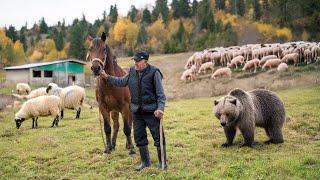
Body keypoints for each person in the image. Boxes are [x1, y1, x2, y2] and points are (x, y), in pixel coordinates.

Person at [100, 51, 167, 171]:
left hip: (152, 111)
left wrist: (160, 108)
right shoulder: (131, 72)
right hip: (136, 111)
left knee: (158, 137)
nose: (135, 63)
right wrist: (107, 77)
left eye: (137, 61)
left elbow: (161, 95)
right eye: (134, 61)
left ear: (145, 62)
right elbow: (121, 82)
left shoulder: (154, 72)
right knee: (139, 137)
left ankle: (162, 163)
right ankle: (145, 163)